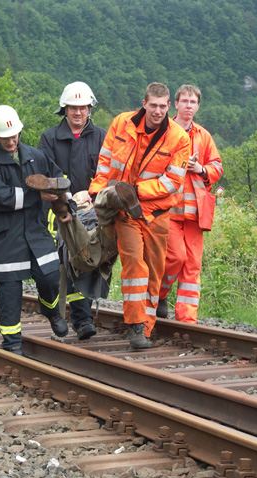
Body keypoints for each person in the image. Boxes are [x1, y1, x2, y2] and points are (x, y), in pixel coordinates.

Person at [88, 82, 190, 349]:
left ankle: (147, 323)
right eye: (153, 105)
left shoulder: (179, 138)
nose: (157, 111)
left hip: (156, 212)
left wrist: (136, 191)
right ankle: (136, 327)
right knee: (134, 264)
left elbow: (173, 182)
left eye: (162, 106)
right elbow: (105, 160)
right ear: (144, 104)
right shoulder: (122, 123)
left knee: (154, 271)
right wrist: (99, 191)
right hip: (124, 211)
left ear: (169, 106)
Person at [0, 105, 69, 356]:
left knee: (50, 278)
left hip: (36, 232)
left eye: (14, 135)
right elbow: (2, 198)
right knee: (10, 291)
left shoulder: (34, 156)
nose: (10, 141)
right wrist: (38, 195)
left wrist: (63, 196)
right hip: (5, 236)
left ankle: (50, 310)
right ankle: (12, 341)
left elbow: (56, 176)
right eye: (5, 137)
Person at [37, 82, 107, 341]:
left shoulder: (101, 136)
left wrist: (95, 198)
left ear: (90, 109)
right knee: (65, 264)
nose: (78, 113)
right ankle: (77, 317)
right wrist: (63, 198)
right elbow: (44, 176)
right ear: (64, 110)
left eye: (83, 108)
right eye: (73, 108)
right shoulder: (49, 138)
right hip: (59, 210)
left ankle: (82, 318)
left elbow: (109, 171)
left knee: (88, 260)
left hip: (92, 210)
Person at [157, 85, 223, 323]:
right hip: (170, 210)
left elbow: (217, 167)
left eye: (192, 102)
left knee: (192, 266)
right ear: (176, 104)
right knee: (175, 259)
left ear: (197, 106)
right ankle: (159, 294)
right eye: (184, 101)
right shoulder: (165, 131)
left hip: (196, 214)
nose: (188, 105)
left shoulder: (203, 136)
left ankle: (187, 321)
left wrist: (202, 169)